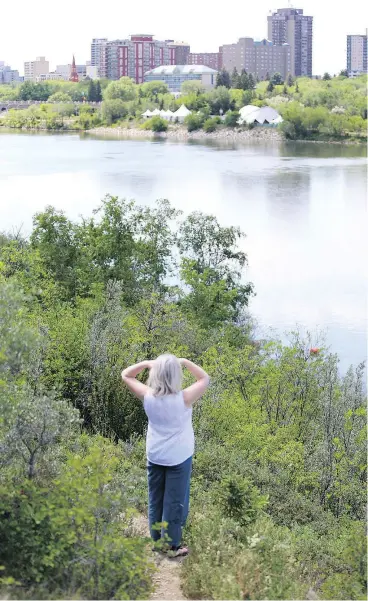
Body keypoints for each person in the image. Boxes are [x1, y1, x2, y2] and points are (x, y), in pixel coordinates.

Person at [121, 354, 209, 557]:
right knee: (174, 501)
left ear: (156, 374)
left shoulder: (147, 395)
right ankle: (172, 546)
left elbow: (126, 375)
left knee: (155, 499)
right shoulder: (185, 398)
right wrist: (185, 362)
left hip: (155, 455)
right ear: (176, 376)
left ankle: (157, 541)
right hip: (179, 457)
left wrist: (146, 363)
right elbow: (204, 379)